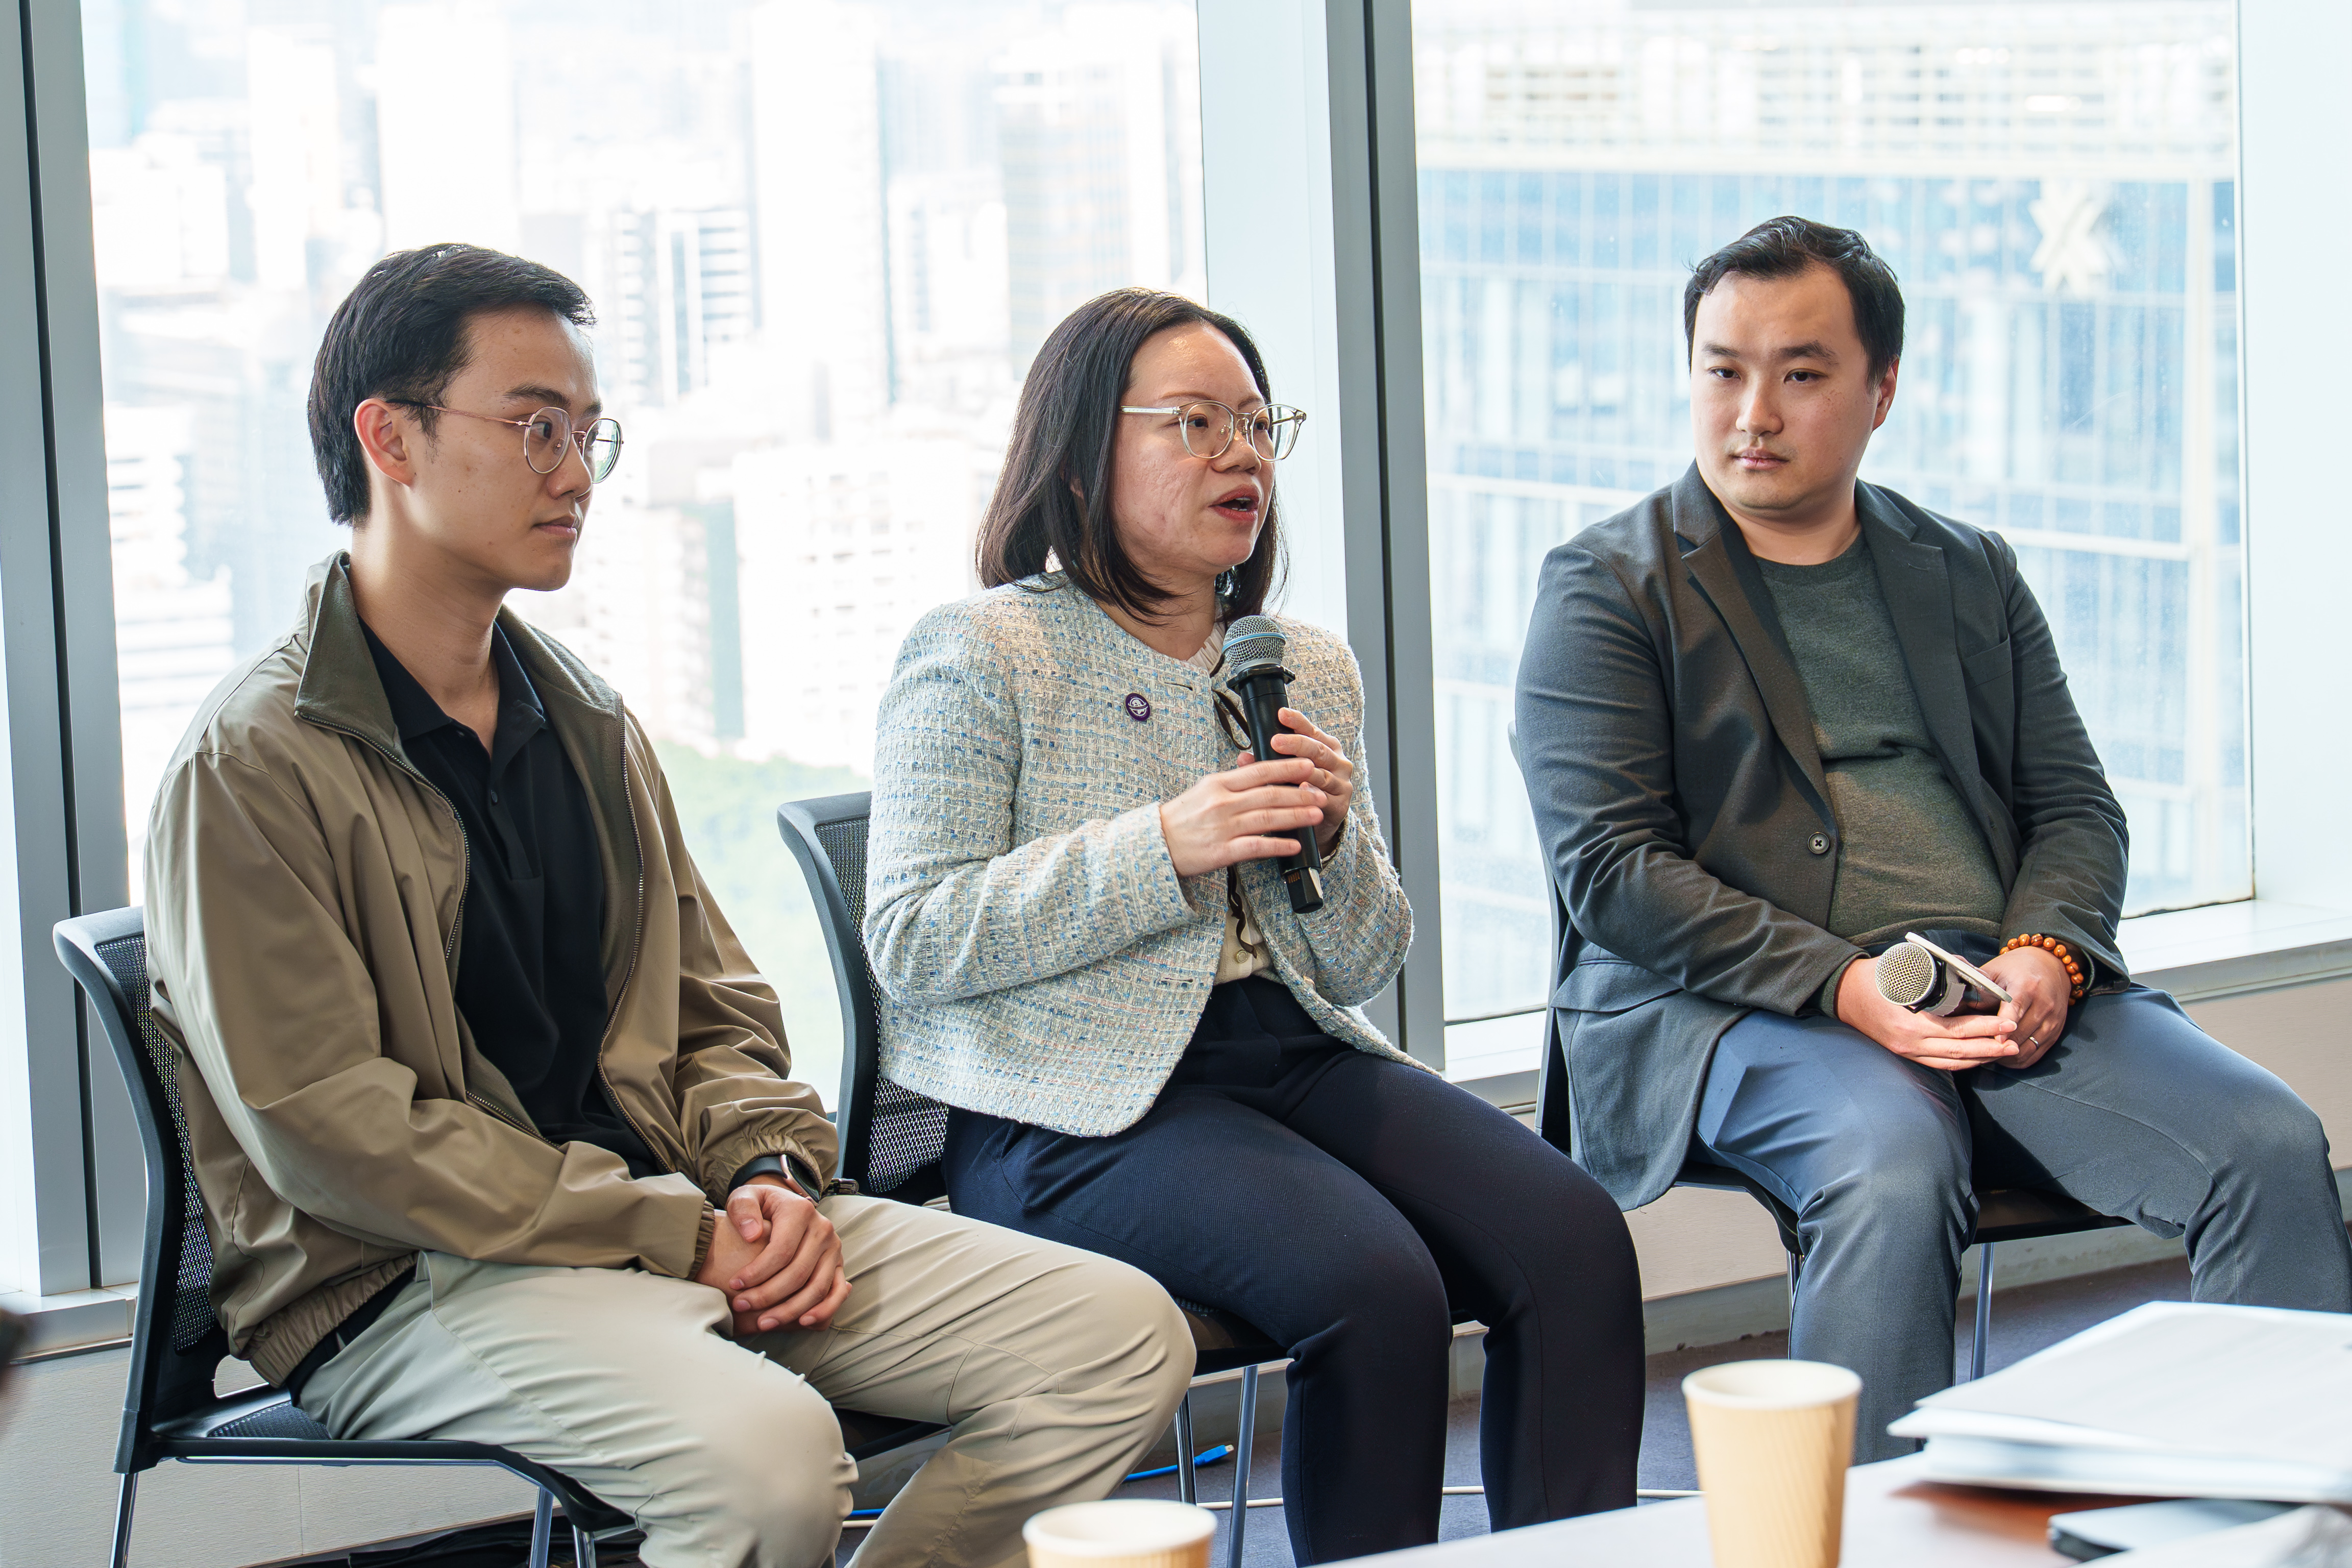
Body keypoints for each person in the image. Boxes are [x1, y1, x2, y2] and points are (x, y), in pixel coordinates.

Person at [141, 243, 1194, 1568]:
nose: (576, 472)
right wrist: (677, 1231)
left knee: (1116, 1339)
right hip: (409, 1285)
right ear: (388, 438)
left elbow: (716, 1013)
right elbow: (340, 1139)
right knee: (768, 1469)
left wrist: (762, 1178)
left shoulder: (582, 718)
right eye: (534, 428)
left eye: (590, 433)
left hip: (665, 1221)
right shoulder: (250, 766)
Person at [1515, 215, 2352, 1460]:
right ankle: (1865, 1535)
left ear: (1881, 389)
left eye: (1800, 374)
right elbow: (1615, 875)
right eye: (1721, 369)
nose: (1752, 411)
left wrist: (2046, 957)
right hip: (1741, 1007)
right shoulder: (1606, 587)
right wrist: (1843, 984)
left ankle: (2269, 1510)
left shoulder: (1966, 571)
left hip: (1989, 983)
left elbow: (2076, 808)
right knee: (1891, 1165)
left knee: (2268, 1147)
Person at [863, 286, 1645, 1564]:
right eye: (1194, 423)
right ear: (1079, 451)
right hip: (1074, 1107)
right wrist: (1162, 847)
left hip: (1290, 1054)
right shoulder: (982, 647)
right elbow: (913, 934)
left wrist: (1333, 844)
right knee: (1373, 1288)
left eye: (1258, 423)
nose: (1243, 455)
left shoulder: (1298, 662)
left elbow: (1363, 960)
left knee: (1573, 1242)